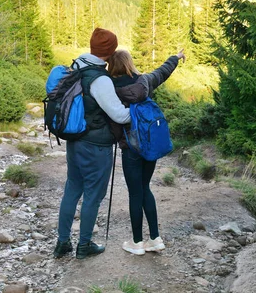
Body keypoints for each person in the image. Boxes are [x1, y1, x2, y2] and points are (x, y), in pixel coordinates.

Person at [53, 28, 131, 260]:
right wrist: (137, 113)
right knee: (93, 195)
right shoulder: (100, 79)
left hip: (74, 140)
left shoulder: (77, 66)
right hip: (95, 146)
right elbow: (118, 115)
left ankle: (62, 242)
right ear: (111, 51)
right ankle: (84, 245)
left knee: (72, 189)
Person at [107, 49, 186, 255]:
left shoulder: (111, 87)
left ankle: (137, 243)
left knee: (135, 193)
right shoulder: (145, 81)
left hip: (130, 148)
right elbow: (163, 71)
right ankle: (155, 238)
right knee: (145, 188)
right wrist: (175, 58)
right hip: (149, 145)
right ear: (129, 63)